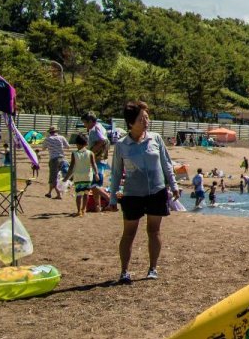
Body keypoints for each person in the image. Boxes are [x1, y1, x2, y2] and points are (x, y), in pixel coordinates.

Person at [109, 100, 177, 282]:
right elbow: (116, 172)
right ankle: (124, 271)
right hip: (132, 194)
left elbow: (167, 164)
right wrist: (112, 198)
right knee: (129, 233)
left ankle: (153, 268)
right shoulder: (122, 145)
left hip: (157, 191)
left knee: (154, 231)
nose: (146, 122)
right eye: (141, 119)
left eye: (147, 118)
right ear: (131, 123)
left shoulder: (156, 138)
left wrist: (174, 185)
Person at [68, 134, 96, 216]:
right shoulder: (90, 153)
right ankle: (84, 209)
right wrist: (96, 174)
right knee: (86, 193)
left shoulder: (74, 153)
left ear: (76, 144)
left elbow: (71, 166)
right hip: (88, 176)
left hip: (78, 176)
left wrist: (67, 177)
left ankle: (78, 211)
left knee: (79, 194)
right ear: (86, 143)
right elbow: (94, 164)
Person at [42, 125, 70, 199]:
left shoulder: (47, 139)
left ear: (50, 132)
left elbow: (43, 148)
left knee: (53, 177)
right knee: (58, 176)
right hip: (62, 159)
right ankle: (49, 192)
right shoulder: (62, 137)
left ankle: (58, 194)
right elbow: (68, 146)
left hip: (54, 159)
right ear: (57, 131)